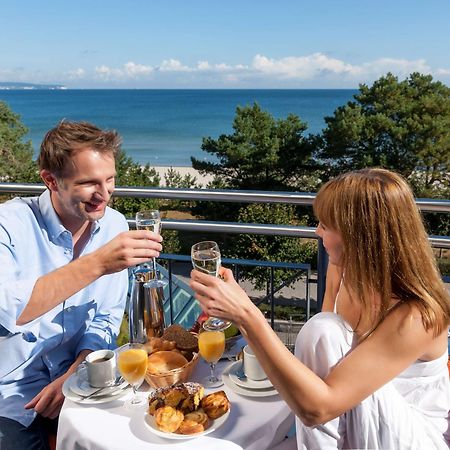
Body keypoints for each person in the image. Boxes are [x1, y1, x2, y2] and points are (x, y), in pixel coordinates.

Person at [190, 168, 450, 449]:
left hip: (408, 434)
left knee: (321, 329)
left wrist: (245, 314)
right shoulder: (345, 272)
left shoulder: (419, 315)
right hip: (349, 419)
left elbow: (319, 409)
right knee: (323, 330)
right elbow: (320, 366)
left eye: (325, 225)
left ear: (358, 236)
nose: (316, 231)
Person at [0, 121, 162, 450]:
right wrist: (98, 263)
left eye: (110, 180)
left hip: (81, 382)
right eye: (89, 183)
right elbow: (9, 310)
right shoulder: (10, 225)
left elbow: (106, 318)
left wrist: (75, 374)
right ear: (50, 180)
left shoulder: (113, 224)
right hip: (9, 395)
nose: (104, 194)